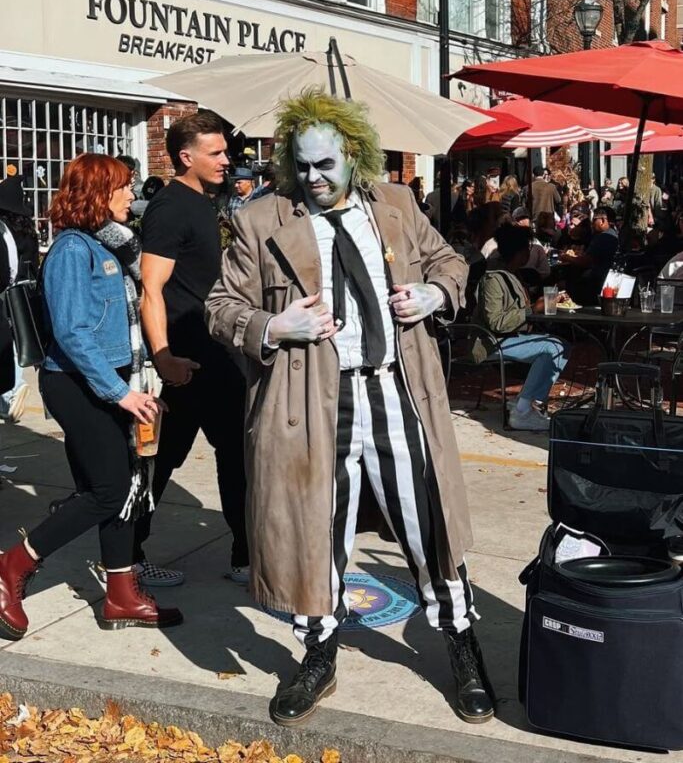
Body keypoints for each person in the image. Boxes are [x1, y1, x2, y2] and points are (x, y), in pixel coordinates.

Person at [205, 89, 494, 727]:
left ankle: (461, 642)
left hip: (396, 389)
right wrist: (272, 325)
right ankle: (319, 652)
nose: (313, 177)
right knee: (316, 530)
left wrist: (433, 292)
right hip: (310, 402)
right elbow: (220, 308)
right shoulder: (261, 219)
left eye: (325, 164)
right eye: (302, 165)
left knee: (429, 523)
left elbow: (450, 261)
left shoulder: (395, 204)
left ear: (353, 155)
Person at [0, 154, 182, 640]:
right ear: (98, 191)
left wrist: (136, 383)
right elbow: (74, 333)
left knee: (115, 490)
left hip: (110, 381)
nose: (131, 195)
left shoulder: (114, 247)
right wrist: (120, 394)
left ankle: (121, 594)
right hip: (79, 385)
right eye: (123, 187)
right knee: (108, 490)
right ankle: (11, 568)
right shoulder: (72, 251)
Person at [135, 112, 248, 586]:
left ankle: (245, 555)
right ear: (187, 157)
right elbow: (151, 288)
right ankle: (125, 556)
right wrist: (163, 357)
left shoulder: (205, 201)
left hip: (216, 353)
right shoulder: (171, 207)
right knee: (160, 459)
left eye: (225, 151)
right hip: (188, 358)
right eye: (216, 153)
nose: (227, 161)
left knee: (234, 455)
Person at [472, 223, 568, 432]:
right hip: (492, 342)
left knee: (560, 346)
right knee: (554, 347)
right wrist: (532, 310)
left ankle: (526, 404)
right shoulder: (493, 278)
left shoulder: (514, 275)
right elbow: (496, 321)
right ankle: (523, 409)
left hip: (510, 338)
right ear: (520, 252)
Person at [0, 176, 39, 422]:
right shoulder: (28, 227)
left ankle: (11, 390)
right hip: (25, 288)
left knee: (6, 340)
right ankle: (13, 387)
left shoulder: (4, 228)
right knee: (18, 337)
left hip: (8, 290)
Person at [562, 205, 619, 305]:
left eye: (594, 220)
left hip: (594, 283)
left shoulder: (603, 237)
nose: (592, 224)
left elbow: (586, 262)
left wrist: (567, 257)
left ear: (602, 220)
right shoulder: (613, 234)